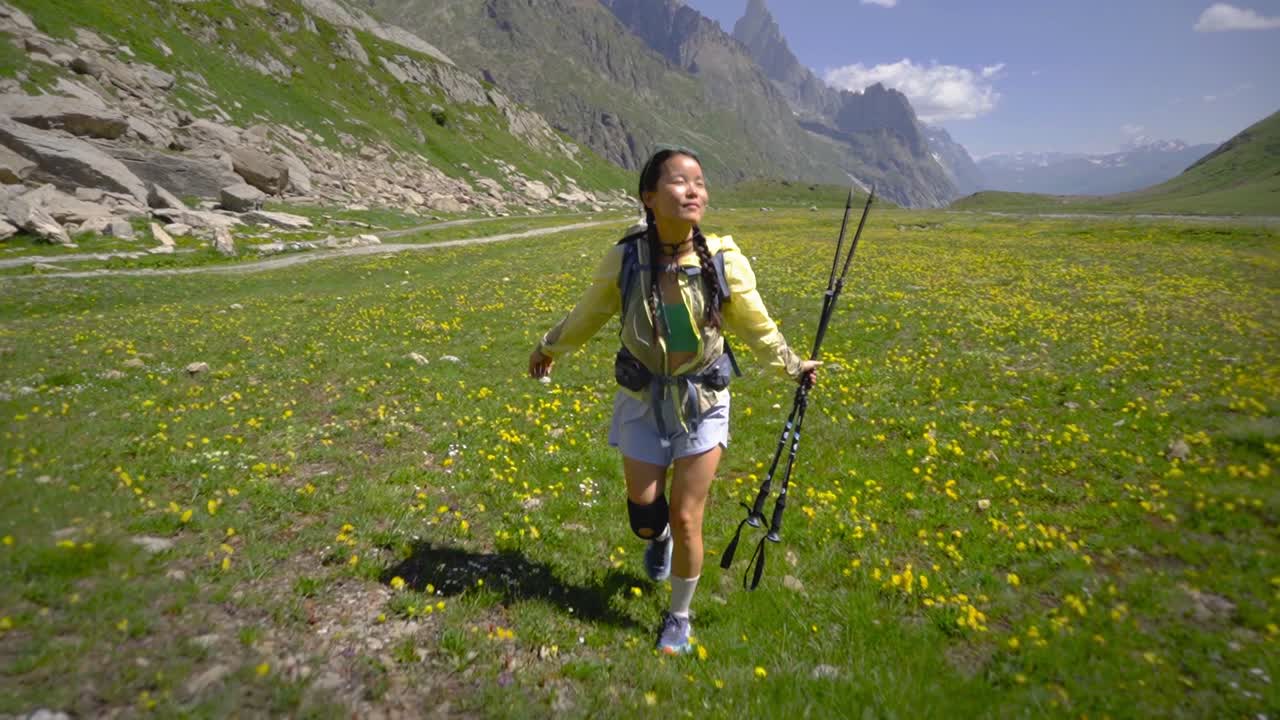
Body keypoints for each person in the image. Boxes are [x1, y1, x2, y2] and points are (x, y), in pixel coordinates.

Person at [527, 147, 819, 654]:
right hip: (642, 399)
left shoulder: (724, 261)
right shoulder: (626, 257)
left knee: (687, 517)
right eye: (680, 181)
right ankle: (656, 539)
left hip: (703, 401)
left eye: (699, 182)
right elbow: (589, 313)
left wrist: (793, 366)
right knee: (646, 514)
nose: (693, 191)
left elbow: (757, 326)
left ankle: (679, 617)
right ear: (649, 196)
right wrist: (550, 346)